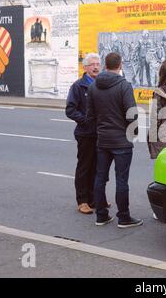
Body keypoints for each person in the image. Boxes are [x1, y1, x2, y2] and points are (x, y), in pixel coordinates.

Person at [87, 52, 143, 228]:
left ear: (105, 64)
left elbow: (90, 116)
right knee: (121, 180)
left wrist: (101, 129)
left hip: (103, 140)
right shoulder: (124, 86)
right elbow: (132, 113)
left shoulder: (94, 87)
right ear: (120, 65)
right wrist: (133, 133)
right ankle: (124, 217)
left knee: (100, 178)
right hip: (121, 142)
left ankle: (101, 215)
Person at [66, 53, 102, 215]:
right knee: (84, 167)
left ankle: (94, 198)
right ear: (85, 67)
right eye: (92, 64)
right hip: (85, 134)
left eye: (98, 64)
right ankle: (82, 201)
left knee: (96, 168)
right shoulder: (78, 86)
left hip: (100, 133)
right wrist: (85, 120)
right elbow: (70, 110)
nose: (96, 67)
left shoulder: (101, 85)